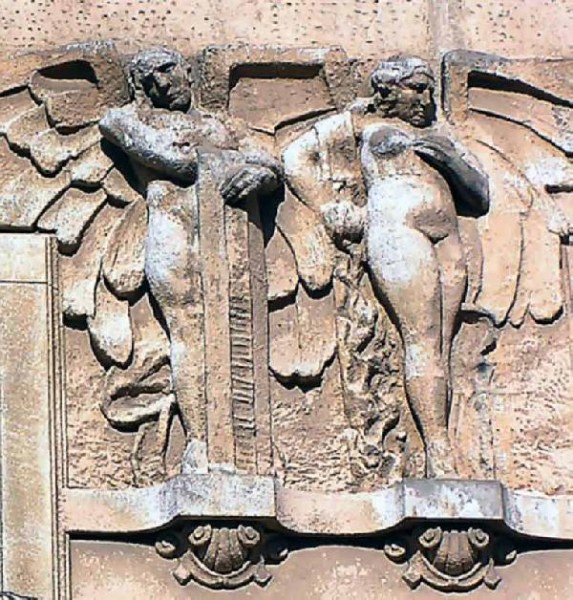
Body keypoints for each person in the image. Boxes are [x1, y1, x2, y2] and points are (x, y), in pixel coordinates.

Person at [283, 56, 489, 477]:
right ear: (389, 91)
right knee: (421, 339)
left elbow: (480, 193)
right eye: (417, 88)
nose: (426, 98)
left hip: (447, 237)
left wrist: (450, 159)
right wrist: (328, 206)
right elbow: (295, 157)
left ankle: (439, 439)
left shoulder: (439, 132)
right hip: (398, 229)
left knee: (442, 347)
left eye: (429, 89)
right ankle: (438, 449)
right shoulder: (361, 122)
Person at [100, 47, 281, 472]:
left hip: (231, 238)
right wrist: (231, 160)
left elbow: (270, 162)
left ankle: (246, 440)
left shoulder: (221, 124)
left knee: (240, 328)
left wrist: (261, 173)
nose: (163, 83)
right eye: (151, 78)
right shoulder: (125, 119)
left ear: (187, 70)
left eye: (168, 70)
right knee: (190, 333)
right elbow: (176, 162)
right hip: (173, 235)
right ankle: (200, 440)